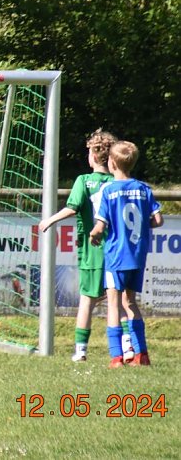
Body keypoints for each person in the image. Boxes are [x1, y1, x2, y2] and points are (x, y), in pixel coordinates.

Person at [38, 129, 133, 362]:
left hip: (93, 250)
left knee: (87, 301)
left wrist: (49, 220)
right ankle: (128, 347)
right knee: (120, 301)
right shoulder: (118, 182)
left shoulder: (83, 181)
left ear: (93, 156)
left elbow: (72, 208)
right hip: (117, 251)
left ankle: (80, 351)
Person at [89, 141, 163, 368]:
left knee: (114, 304)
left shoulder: (108, 191)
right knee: (130, 302)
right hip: (137, 256)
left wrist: (93, 235)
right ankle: (142, 355)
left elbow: (100, 226)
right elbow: (158, 220)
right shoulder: (143, 189)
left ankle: (117, 356)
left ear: (111, 163)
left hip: (116, 256)